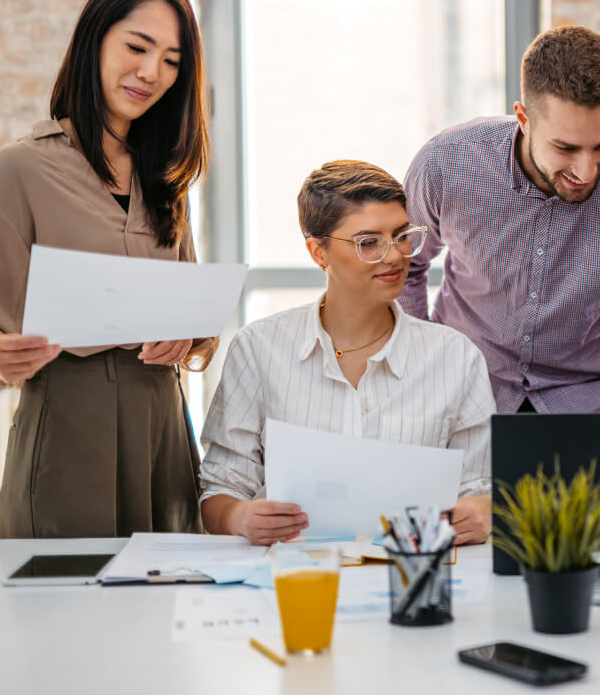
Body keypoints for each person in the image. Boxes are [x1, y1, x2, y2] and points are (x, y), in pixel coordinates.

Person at [0, 0, 215, 538]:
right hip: (65, 431)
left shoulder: (166, 178)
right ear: (95, 40)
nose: (151, 72)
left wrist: (188, 333)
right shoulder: (19, 168)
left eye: (171, 61)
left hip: (163, 428)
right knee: (62, 615)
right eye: (137, 47)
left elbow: (194, 310)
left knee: (165, 613)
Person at [400, 26, 600, 413]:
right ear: (523, 117)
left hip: (591, 402)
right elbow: (404, 264)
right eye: (565, 147)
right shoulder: (447, 164)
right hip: (463, 390)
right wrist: (418, 370)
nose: (586, 170)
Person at [200, 161, 494, 546]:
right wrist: (240, 517)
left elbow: (480, 488)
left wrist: (479, 513)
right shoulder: (258, 348)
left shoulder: (455, 358)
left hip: (413, 579)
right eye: (369, 242)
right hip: (291, 581)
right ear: (317, 252)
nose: (395, 256)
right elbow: (220, 489)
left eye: (402, 235)